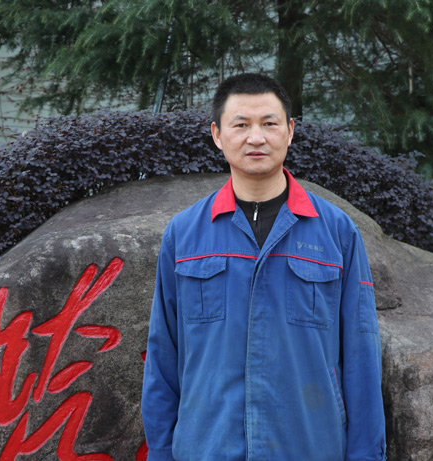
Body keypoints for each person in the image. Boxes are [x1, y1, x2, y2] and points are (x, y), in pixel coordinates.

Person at [141, 73, 386, 460]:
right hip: (208, 448)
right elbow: (162, 359)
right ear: (217, 134)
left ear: (290, 131)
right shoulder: (185, 234)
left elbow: (362, 357)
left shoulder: (337, 233)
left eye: (269, 124)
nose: (256, 138)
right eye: (241, 125)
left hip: (308, 448)